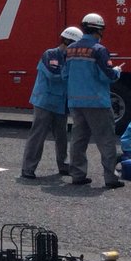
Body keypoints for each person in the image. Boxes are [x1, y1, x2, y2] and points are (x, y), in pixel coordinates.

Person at [62, 13, 123, 188]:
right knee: (106, 140)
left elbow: (65, 74)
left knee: (78, 140)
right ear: (99, 30)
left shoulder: (71, 49)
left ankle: (77, 175)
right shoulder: (99, 50)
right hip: (97, 103)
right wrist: (118, 71)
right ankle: (111, 178)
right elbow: (108, 76)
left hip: (76, 102)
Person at [21, 26, 83, 179]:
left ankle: (63, 165)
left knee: (61, 136)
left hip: (60, 103)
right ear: (67, 41)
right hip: (45, 102)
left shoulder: (70, 58)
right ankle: (28, 168)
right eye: (75, 45)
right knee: (38, 136)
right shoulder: (50, 54)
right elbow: (53, 75)